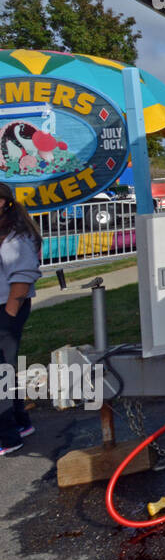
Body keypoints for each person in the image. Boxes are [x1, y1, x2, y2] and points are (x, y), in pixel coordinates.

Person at [0, 182, 41, 455]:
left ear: (3, 202)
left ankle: (7, 437)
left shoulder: (16, 235)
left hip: (8, 307)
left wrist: (9, 315)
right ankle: (20, 423)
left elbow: (23, 276)